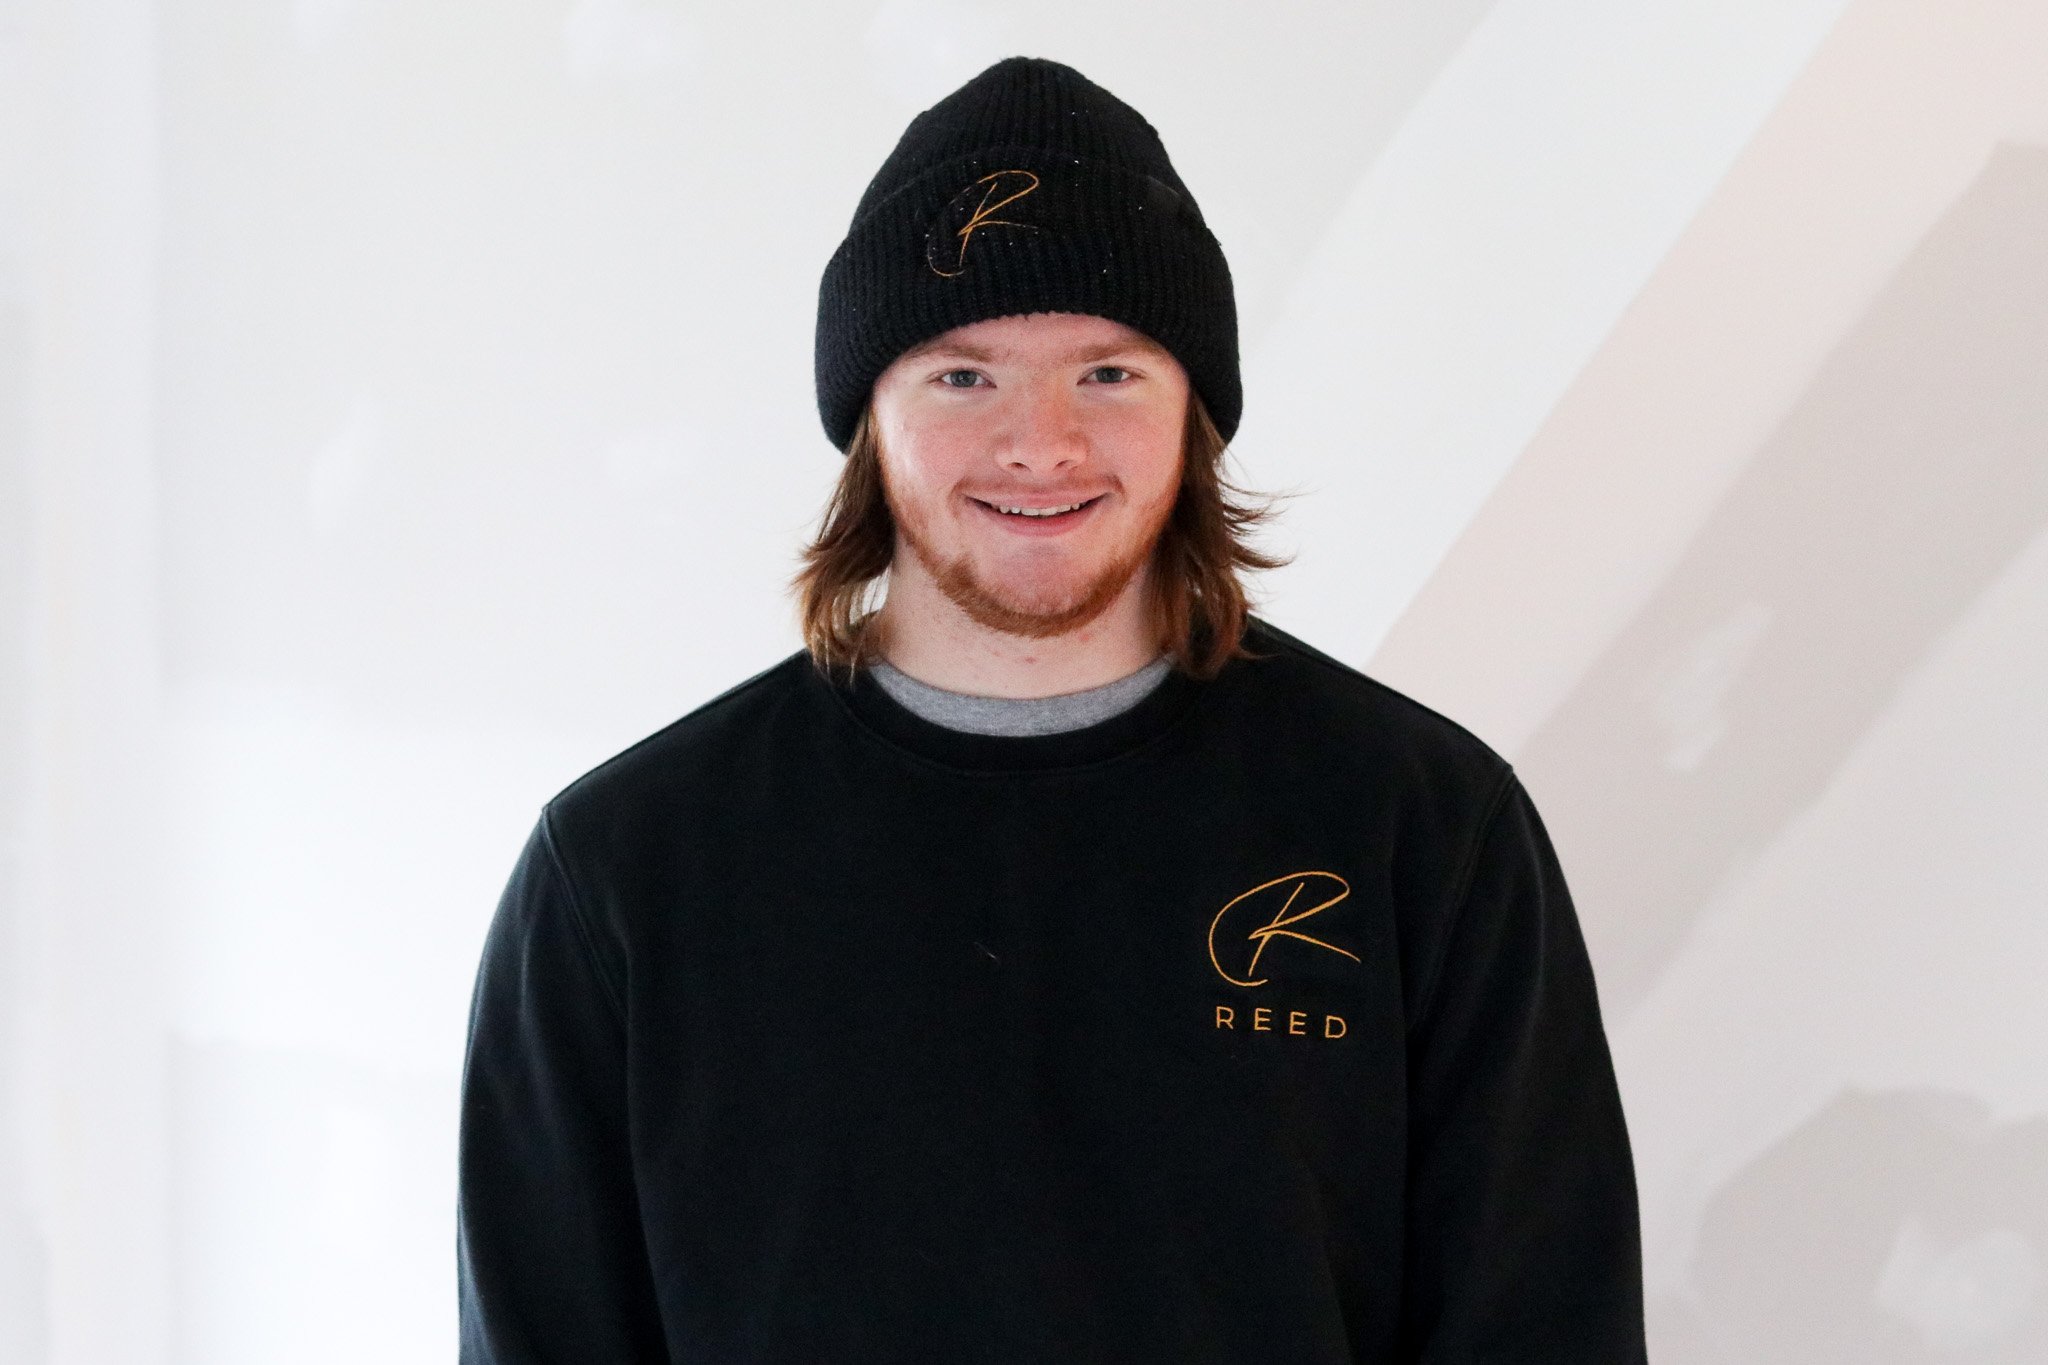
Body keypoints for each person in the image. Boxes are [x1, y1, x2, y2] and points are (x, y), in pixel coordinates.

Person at [456, 55, 1647, 1363]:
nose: (1040, 442)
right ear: (869, 418)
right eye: (963, 376)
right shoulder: (627, 870)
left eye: (1109, 373)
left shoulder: (1421, 828)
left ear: (1195, 410)